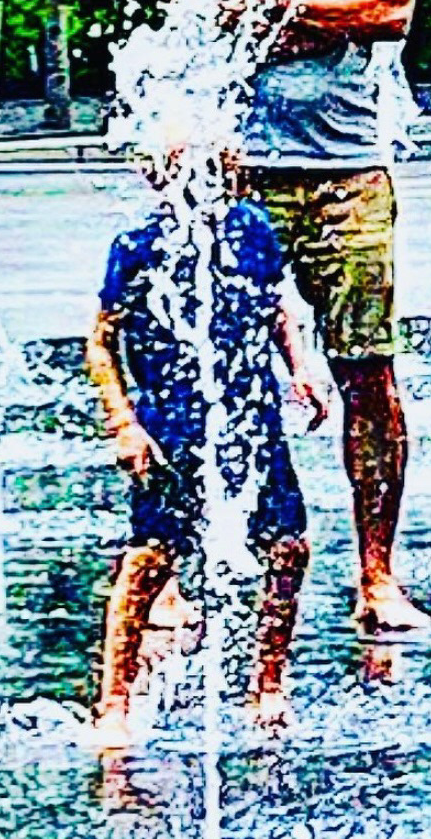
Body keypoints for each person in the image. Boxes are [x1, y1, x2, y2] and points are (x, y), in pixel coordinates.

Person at [154, 0, 430, 633]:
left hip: (346, 167)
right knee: (212, 373)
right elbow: (188, 0)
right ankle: (197, 574)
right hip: (232, 166)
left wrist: (268, 3)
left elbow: (391, 10)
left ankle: (377, 576)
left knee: (368, 373)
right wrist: (328, 10)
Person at [87, 143, 327, 743]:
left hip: (253, 416)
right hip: (171, 424)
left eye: (217, 162)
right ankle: (114, 702)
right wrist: (124, 421)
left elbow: (276, 309)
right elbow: (100, 342)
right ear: (156, 174)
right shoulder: (139, 247)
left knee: (288, 548)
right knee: (149, 559)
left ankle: (268, 681)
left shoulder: (253, 230)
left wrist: (300, 368)